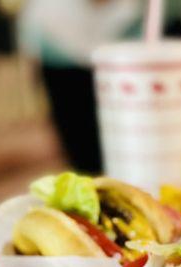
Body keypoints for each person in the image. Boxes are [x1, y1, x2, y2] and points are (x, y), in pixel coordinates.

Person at [17, 0, 143, 173]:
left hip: (116, 65)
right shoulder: (48, 13)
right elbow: (33, 39)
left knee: (121, 145)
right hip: (62, 65)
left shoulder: (131, 11)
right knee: (78, 144)